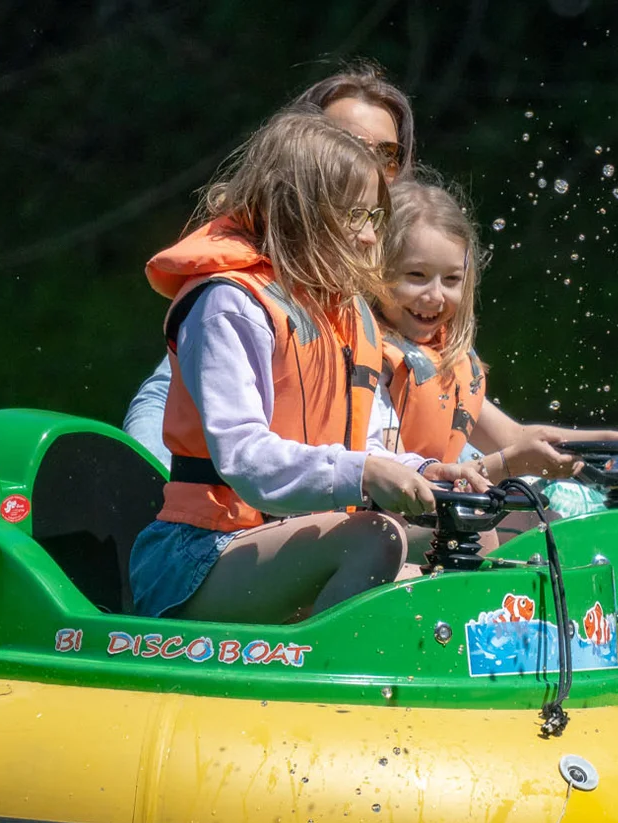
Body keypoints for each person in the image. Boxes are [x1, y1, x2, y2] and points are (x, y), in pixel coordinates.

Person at [128, 108, 483, 625]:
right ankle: (325, 672)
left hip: (282, 543)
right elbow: (245, 457)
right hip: (197, 554)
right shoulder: (230, 304)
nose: (371, 238)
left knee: (456, 557)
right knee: (374, 538)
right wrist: (365, 474)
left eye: (375, 218)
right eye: (356, 216)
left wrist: (423, 470)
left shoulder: (340, 315)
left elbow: (353, 445)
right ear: (300, 210)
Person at [125, 64, 418, 465]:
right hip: (234, 486)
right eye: (347, 143)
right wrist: (156, 481)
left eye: (386, 155)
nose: (363, 164)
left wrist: (435, 470)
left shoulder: (420, 258)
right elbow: (186, 411)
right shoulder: (234, 298)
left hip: (326, 479)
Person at [370, 177, 590, 481]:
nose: (436, 296)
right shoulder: (371, 361)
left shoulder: (445, 358)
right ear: (376, 269)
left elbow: (516, 437)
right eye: (417, 275)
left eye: (451, 280)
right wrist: (511, 465)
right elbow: (393, 478)